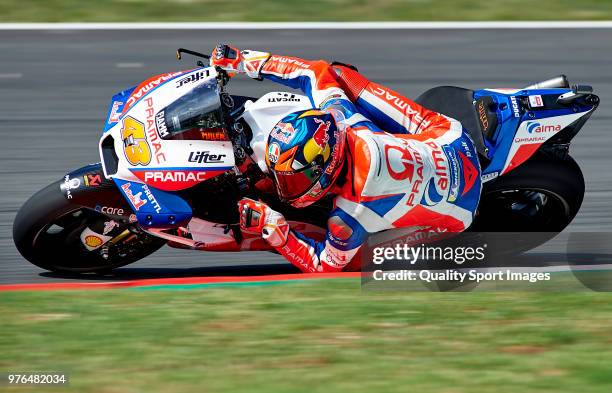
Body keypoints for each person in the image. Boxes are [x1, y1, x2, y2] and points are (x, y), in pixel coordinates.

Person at [210, 44, 482, 273]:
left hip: (461, 213)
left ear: (324, 169)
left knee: (356, 264)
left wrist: (276, 230)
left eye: (294, 179)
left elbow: (324, 267)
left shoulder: (349, 216)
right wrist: (246, 60)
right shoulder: (345, 120)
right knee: (341, 75)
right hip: (451, 138)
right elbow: (315, 71)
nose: (284, 189)